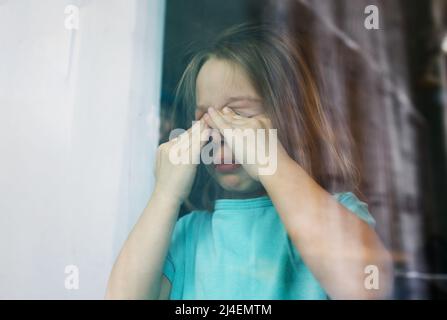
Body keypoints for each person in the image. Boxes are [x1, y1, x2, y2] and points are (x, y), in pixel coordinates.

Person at [105, 23, 392, 300]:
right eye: (204, 118)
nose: (217, 131)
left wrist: (272, 164)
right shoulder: (188, 233)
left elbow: (367, 288)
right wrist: (164, 195)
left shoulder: (335, 212)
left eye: (236, 116)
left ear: (290, 121)